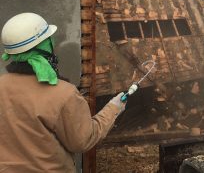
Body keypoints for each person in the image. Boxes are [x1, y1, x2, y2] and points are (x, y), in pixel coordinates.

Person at [0, 13, 127, 172]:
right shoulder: (63, 94)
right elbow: (82, 140)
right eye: (50, 41)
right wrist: (114, 108)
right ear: (44, 46)